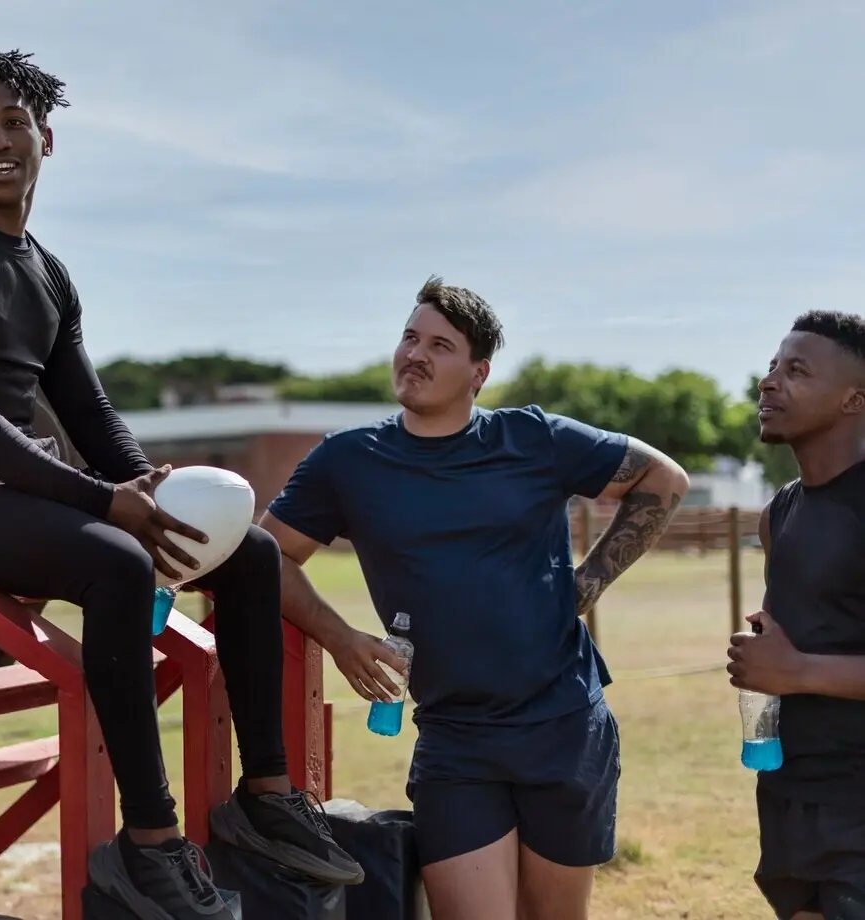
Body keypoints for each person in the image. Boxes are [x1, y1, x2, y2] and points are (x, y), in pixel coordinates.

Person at [0, 44, 362, 919]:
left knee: (244, 554)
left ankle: (269, 796)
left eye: (13, 122)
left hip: (22, 489)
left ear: (46, 139)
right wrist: (108, 503)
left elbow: (88, 413)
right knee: (119, 563)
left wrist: (145, 481)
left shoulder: (48, 273)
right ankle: (150, 841)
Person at [260, 277, 690, 920]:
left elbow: (665, 477)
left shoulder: (533, 438)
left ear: (478, 372)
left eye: (440, 344)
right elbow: (268, 557)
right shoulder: (348, 460)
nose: (416, 354)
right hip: (455, 736)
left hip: (563, 723)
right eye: (409, 336)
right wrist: (342, 639)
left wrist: (587, 583)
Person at [727, 311, 865, 920]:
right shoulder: (779, 513)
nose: (769, 382)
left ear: (853, 399)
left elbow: (799, 664)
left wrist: (798, 669)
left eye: (797, 370)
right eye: (772, 367)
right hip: (789, 791)